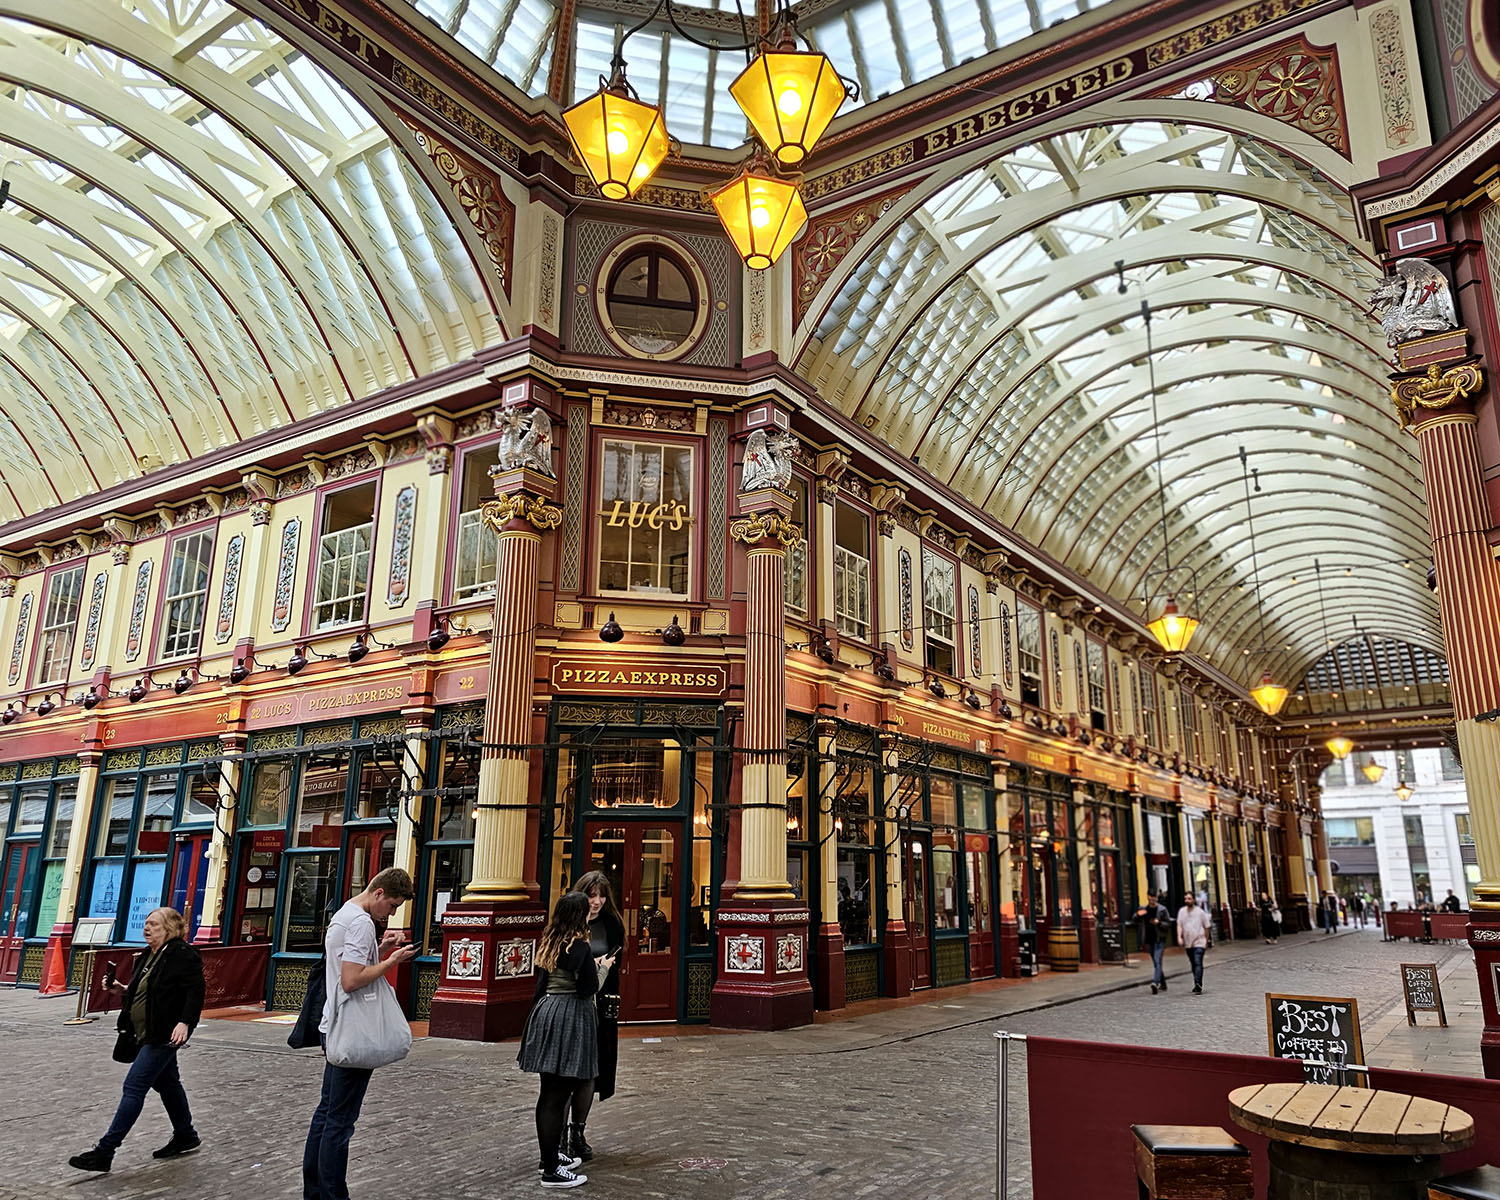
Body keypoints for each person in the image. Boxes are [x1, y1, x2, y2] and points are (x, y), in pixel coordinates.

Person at [303, 867, 417, 1200]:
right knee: (340, 1120)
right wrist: (391, 961)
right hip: (354, 1029)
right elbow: (351, 980)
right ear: (378, 893)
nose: (392, 913)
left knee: (327, 1113)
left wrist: (379, 950)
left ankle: (315, 1191)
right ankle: (333, 1194)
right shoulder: (360, 922)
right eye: (392, 905)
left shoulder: (345, 914)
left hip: (335, 1023)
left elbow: (348, 965)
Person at [69, 907, 205, 1172]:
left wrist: (185, 1023)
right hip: (144, 1032)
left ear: (169, 928)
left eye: (153, 924)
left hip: (164, 1034)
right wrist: (121, 990)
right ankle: (186, 1134)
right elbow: (147, 990)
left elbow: (195, 993)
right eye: (145, 923)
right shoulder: (148, 954)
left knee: (134, 1086)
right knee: (168, 1083)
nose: (147, 928)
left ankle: (105, 1151)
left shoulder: (183, 954)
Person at [519, 891, 608, 1189]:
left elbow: (540, 986)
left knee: (549, 1093)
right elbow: (588, 989)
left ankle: (549, 1157)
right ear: (581, 914)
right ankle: (552, 1171)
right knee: (558, 1096)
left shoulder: (550, 942)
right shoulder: (580, 946)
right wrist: (602, 968)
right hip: (570, 1016)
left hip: (546, 1012)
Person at [565, 871, 627, 1163]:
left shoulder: (612, 923)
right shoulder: (568, 925)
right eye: (592, 895)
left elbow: (617, 962)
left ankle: (578, 1132)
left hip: (600, 1005)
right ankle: (559, 1135)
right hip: (571, 1005)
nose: (597, 902)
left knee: (592, 1070)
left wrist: (603, 968)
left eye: (601, 896)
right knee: (566, 1072)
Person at [1133, 890, 1171, 994]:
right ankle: (1163, 983)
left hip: (1159, 940)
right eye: (1150, 898)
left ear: (1156, 898)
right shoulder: (1144, 909)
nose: (1152, 900)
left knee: (1157, 960)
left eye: (1153, 898)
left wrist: (1159, 923)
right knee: (1156, 962)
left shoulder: (1162, 910)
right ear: (1148, 897)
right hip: (1149, 940)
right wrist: (1138, 915)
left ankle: (1155, 982)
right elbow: (1134, 920)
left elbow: (1168, 924)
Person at [1176, 891, 1212, 995]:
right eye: (1186, 899)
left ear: (1193, 900)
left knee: (1197, 962)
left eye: (1189, 899)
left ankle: (1198, 984)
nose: (1187, 901)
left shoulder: (1200, 912)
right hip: (1188, 943)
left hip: (1199, 941)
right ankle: (1197, 981)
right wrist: (1179, 937)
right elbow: (1179, 925)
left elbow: (1207, 927)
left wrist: (1206, 940)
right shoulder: (1182, 911)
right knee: (1193, 963)